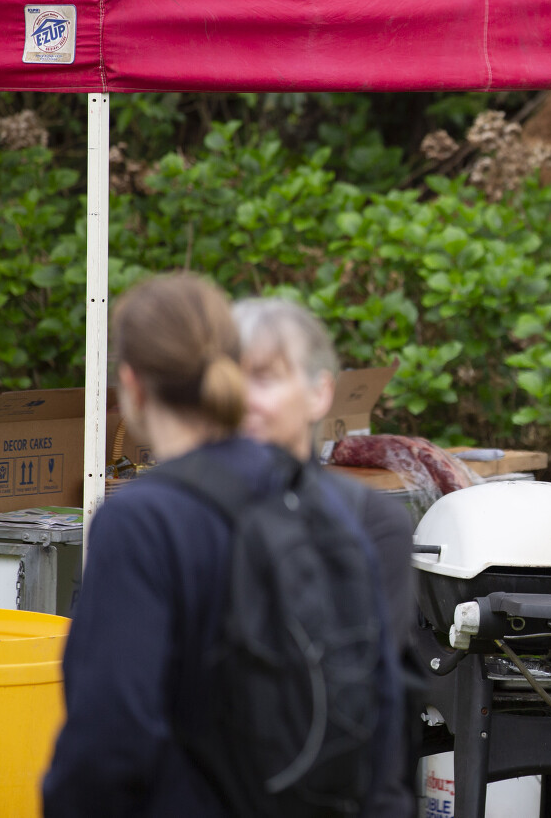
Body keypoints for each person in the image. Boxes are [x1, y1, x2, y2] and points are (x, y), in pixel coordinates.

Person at [42, 275, 409, 818]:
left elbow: (107, 743)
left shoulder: (144, 520)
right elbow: (383, 711)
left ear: (132, 385)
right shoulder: (337, 504)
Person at [233, 297, 419, 816]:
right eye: (228, 379)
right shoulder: (172, 520)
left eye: (264, 378)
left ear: (320, 393)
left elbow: (378, 703)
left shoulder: (372, 524)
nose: (242, 399)